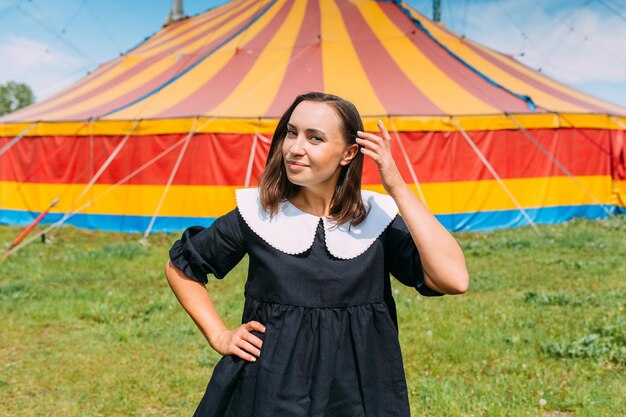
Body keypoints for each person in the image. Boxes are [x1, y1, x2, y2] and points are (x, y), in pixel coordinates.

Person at [165, 92, 469, 417]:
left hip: (360, 391)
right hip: (270, 387)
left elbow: (454, 279)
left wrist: (395, 185)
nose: (295, 148)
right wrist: (219, 334)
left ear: (349, 153)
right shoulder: (258, 213)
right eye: (291, 132)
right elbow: (182, 266)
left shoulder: (376, 218)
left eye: (315, 138)